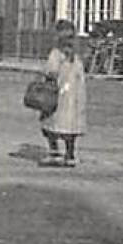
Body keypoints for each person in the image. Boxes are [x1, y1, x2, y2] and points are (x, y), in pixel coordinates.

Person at [41, 18, 88, 168]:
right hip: (73, 96)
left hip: (58, 94)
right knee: (71, 126)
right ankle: (70, 154)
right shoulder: (76, 56)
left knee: (49, 123)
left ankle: (54, 152)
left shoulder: (56, 54)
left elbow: (51, 72)